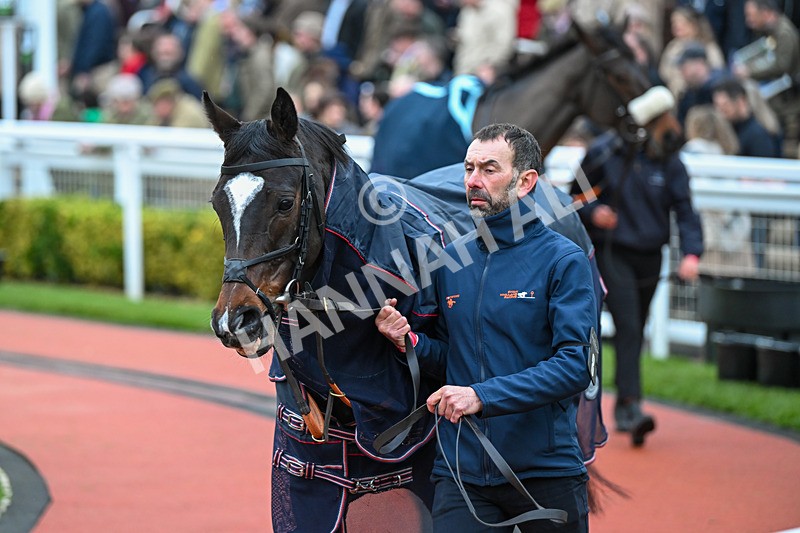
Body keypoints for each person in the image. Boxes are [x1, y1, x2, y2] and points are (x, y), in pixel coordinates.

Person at [376, 123, 597, 531]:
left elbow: (574, 367)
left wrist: (481, 396)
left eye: (489, 169)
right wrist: (408, 340)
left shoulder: (564, 260)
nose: (473, 181)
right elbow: (451, 357)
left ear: (526, 181)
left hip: (545, 472)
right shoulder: (452, 260)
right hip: (462, 472)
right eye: (468, 168)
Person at [570, 98, 704, 447]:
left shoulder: (670, 161)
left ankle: (624, 401)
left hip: (650, 256)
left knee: (636, 327)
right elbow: (573, 198)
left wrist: (693, 253)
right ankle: (629, 406)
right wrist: (594, 212)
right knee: (629, 326)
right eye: (663, 118)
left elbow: (686, 210)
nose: (671, 125)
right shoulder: (603, 152)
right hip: (613, 253)